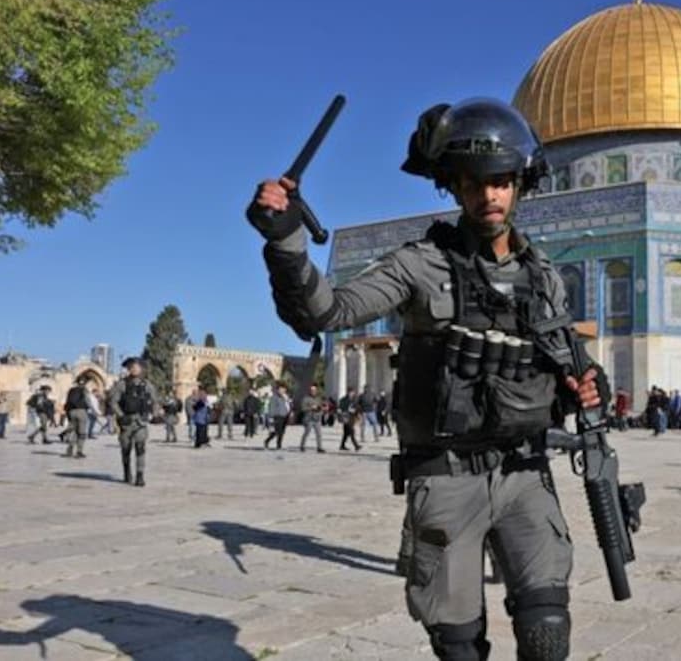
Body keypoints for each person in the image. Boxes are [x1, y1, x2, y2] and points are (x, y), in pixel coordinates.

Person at [246, 97, 608, 660]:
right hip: (447, 479)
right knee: (459, 647)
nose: (489, 195)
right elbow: (328, 312)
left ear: (520, 185)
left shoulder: (544, 279)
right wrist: (285, 239)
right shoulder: (422, 265)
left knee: (546, 633)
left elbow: (570, 360)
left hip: (525, 475)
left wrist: (588, 383)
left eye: (501, 182)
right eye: (474, 183)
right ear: (454, 188)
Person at [108, 358, 160, 486]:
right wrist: (120, 415)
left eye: (137, 367)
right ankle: (127, 472)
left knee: (140, 448)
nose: (134, 369)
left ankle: (140, 475)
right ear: (128, 369)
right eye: (132, 367)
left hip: (140, 422)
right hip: (126, 421)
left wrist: (154, 414)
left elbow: (155, 401)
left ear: (141, 369)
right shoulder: (122, 384)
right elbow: (113, 402)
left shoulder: (147, 385)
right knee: (126, 449)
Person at [63, 378, 91, 458]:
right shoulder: (84, 390)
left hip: (72, 412)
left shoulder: (71, 390)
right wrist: (94, 411)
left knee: (75, 432)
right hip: (81, 411)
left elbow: (67, 402)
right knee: (82, 433)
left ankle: (70, 448)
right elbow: (88, 401)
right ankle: (79, 451)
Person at [264, 382, 291, 450]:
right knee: (277, 432)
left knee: (282, 432)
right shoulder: (274, 397)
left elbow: (288, 406)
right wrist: (271, 417)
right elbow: (272, 407)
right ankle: (269, 441)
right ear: (278, 390)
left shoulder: (285, 397)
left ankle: (279, 444)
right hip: (277, 416)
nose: (282, 391)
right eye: (281, 389)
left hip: (285, 416)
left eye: (284, 389)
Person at [299, 384, 325, 452]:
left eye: (314, 390)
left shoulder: (318, 398)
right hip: (309, 418)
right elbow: (303, 408)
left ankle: (319, 447)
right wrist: (311, 407)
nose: (313, 391)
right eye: (312, 390)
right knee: (307, 433)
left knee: (319, 434)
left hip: (317, 418)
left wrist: (322, 408)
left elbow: (321, 406)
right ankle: (302, 446)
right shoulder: (306, 398)